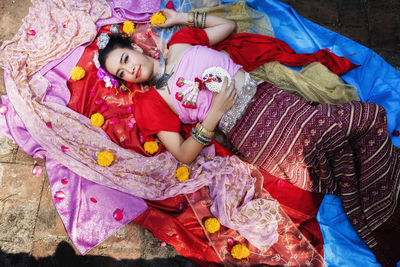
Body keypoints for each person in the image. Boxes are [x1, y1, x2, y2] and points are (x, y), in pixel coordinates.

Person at [98, 9, 400, 266]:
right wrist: (215, 113)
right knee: (355, 131)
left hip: (274, 99)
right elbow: (183, 154)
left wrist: (180, 16)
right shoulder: (151, 101)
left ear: (136, 46)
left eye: (125, 58)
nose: (129, 69)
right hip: (255, 133)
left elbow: (226, 27)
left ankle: (381, 205)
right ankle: (383, 213)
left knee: (355, 140)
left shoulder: (181, 41)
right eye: (121, 73)